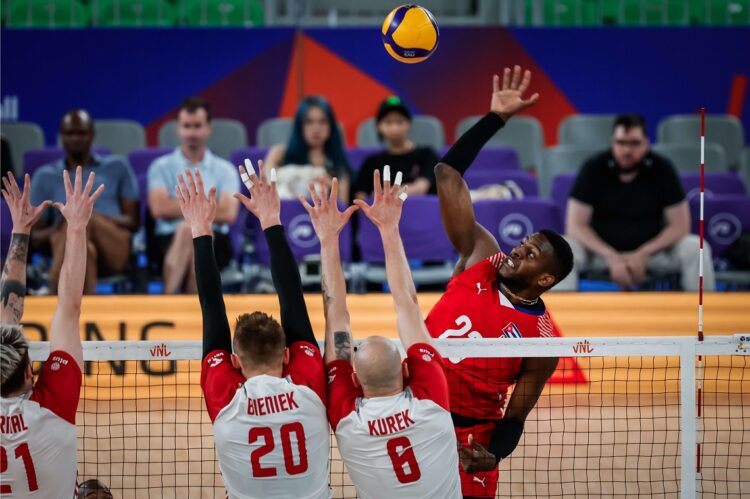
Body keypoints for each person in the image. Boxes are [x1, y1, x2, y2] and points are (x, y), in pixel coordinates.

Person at [426, 65, 574, 499]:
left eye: (530, 254)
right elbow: (447, 175)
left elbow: (515, 416)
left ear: (545, 279)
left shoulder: (541, 340)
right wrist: (496, 119)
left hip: (471, 440)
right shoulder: (480, 257)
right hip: (415, 415)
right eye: (522, 243)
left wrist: (496, 455)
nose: (517, 251)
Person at [303, 170, 461, 498]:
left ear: (356, 383)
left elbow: (336, 319)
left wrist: (328, 239)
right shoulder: (430, 402)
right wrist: (389, 229)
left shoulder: (348, 418)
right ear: (406, 370)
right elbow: (409, 305)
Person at [177, 162, 329, 498]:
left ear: (234, 362)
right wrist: (271, 219)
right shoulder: (308, 387)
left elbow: (211, 308)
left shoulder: (228, 398)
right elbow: (293, 297)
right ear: (287, 355)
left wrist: (200, 228)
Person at [1, 166, 102, 497]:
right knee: (96, 491)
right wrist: (75, 227)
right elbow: (69, 308)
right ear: (30, 374)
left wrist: (19, 230)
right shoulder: (54, 406)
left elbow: (7, 316)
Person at [558, 114, 715, 291]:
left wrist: (643, 253)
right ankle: (559, 318)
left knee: (696, 247)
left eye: (634, 143)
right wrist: (611, 256)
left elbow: (680, 226)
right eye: (621, 143)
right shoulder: (593, 168)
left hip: (655, 254)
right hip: (599, 253)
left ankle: (704, 316)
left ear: (646, 143)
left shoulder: (662, 168)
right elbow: (576, 226)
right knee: (562, 249)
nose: (627, 150)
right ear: (612, 142)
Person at [30, 109, 139, 294]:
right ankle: (83, 320)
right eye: (70, 133)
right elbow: (34, 237)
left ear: (92, 134)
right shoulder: (45, 176)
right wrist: (62, 225)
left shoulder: (117, 167)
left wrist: (87, 216)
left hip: (114, 249)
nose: (76, 139)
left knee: (79, 216)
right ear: (61, 136)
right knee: (83, 245)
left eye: (81, 133)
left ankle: (51, 292)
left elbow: (133, 222)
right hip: (64, 247)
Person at [147, 97, 239, 294]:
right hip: (166, 241)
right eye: (187, 126)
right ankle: (199, 316)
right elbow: (159, 208)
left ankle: (167, 304)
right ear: (179, 129)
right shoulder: (160, 167)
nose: (192, 132)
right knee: (187, 230)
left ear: (208, 128)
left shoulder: (225, 169)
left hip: (217, 240)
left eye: (197, 126)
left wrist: (186, 211)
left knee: (193, 230)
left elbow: (229, 212)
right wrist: (205, 208)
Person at [264, 95, 351, 201]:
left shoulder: (338, 163)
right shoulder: (279, 153)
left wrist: (334, 190)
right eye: (309, 122)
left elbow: (342, 207)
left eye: (322, 121)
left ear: (331, 126)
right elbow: (266, 188)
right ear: (300, 125)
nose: (316, 128)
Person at [353, 96, 438, 199]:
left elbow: (421, 187)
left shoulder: (427, 154)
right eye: (388, 122)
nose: (394, 128)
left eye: (399, 122)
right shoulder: (372, 162)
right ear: (379, 126)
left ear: (409, 124)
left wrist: (386, 195)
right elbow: (360, 195)